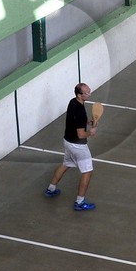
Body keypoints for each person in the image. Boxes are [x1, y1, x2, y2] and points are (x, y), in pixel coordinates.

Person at [45, 82, 97, 210]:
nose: (89, 94)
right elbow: (81, 134)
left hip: (67, 142)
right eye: (86, 93)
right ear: (79, 95)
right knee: (87, 171)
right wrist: (90, 132)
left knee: (66, 163)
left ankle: (51, 189)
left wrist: (87, 122)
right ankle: (80, 202)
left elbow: (75, 119)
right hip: (78, 146)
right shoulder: (80, 110)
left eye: (89, 91)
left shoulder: (73, 102)